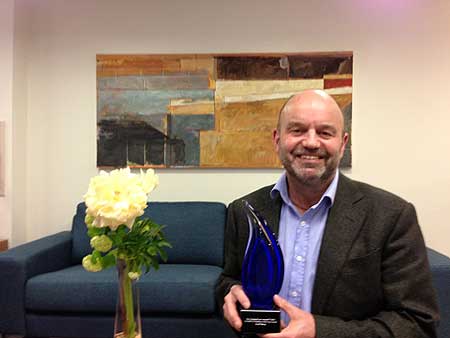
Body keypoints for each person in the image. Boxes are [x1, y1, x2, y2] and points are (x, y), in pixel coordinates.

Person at [215, 90, 439, 338]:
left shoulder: (392, 216)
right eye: (297, 130)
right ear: (277, 140)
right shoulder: (244, 210)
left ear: (343, 144)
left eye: (324, 132)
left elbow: (417, 323)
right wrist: (231, 291)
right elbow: (229, 279)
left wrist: (319, 331)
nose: (311, 142)